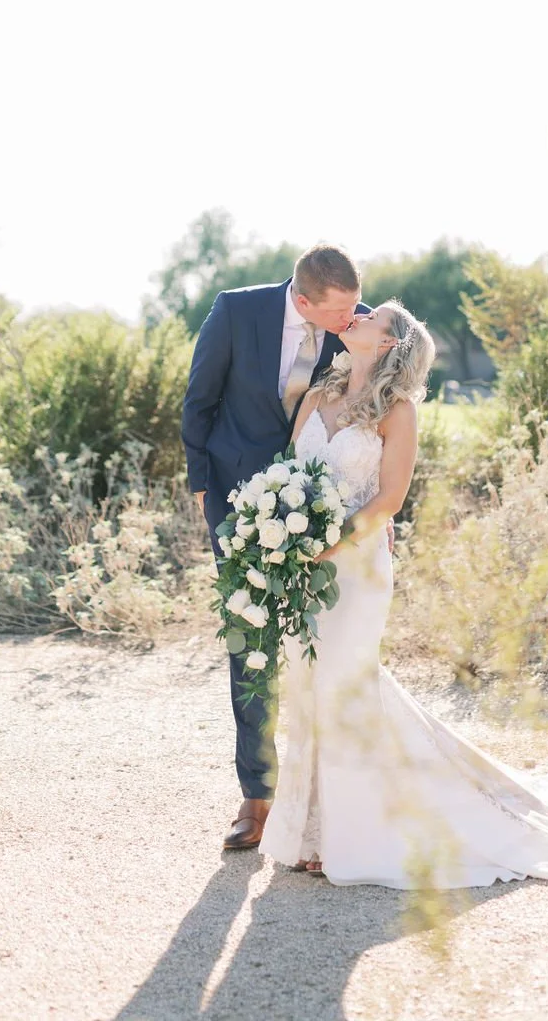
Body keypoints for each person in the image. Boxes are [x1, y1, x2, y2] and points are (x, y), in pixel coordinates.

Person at [258, 301, 548, 889]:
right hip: (307, 567)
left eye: (370, 314)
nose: (354, 314)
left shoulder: (398, 410)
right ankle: (315, 832)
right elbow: (289, 471)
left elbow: (388, 501)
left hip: (356, 570)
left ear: (388, 344)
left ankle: (355, 836)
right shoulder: (314, 394)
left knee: (341, 684)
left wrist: (325, 546)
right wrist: (280, 532)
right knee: (310, 686)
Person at [181, 243, 369, 852]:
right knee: (251, 643)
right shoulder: (236, 313)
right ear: (304, 300)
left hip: (324, 508)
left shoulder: (357, 328)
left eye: (354, 309)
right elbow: (200, 399)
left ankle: (324, 798)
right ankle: (257, 796)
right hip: (242, 507)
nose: (351, 320)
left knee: (328, 648)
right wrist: (204, 487)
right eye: (339, 313)